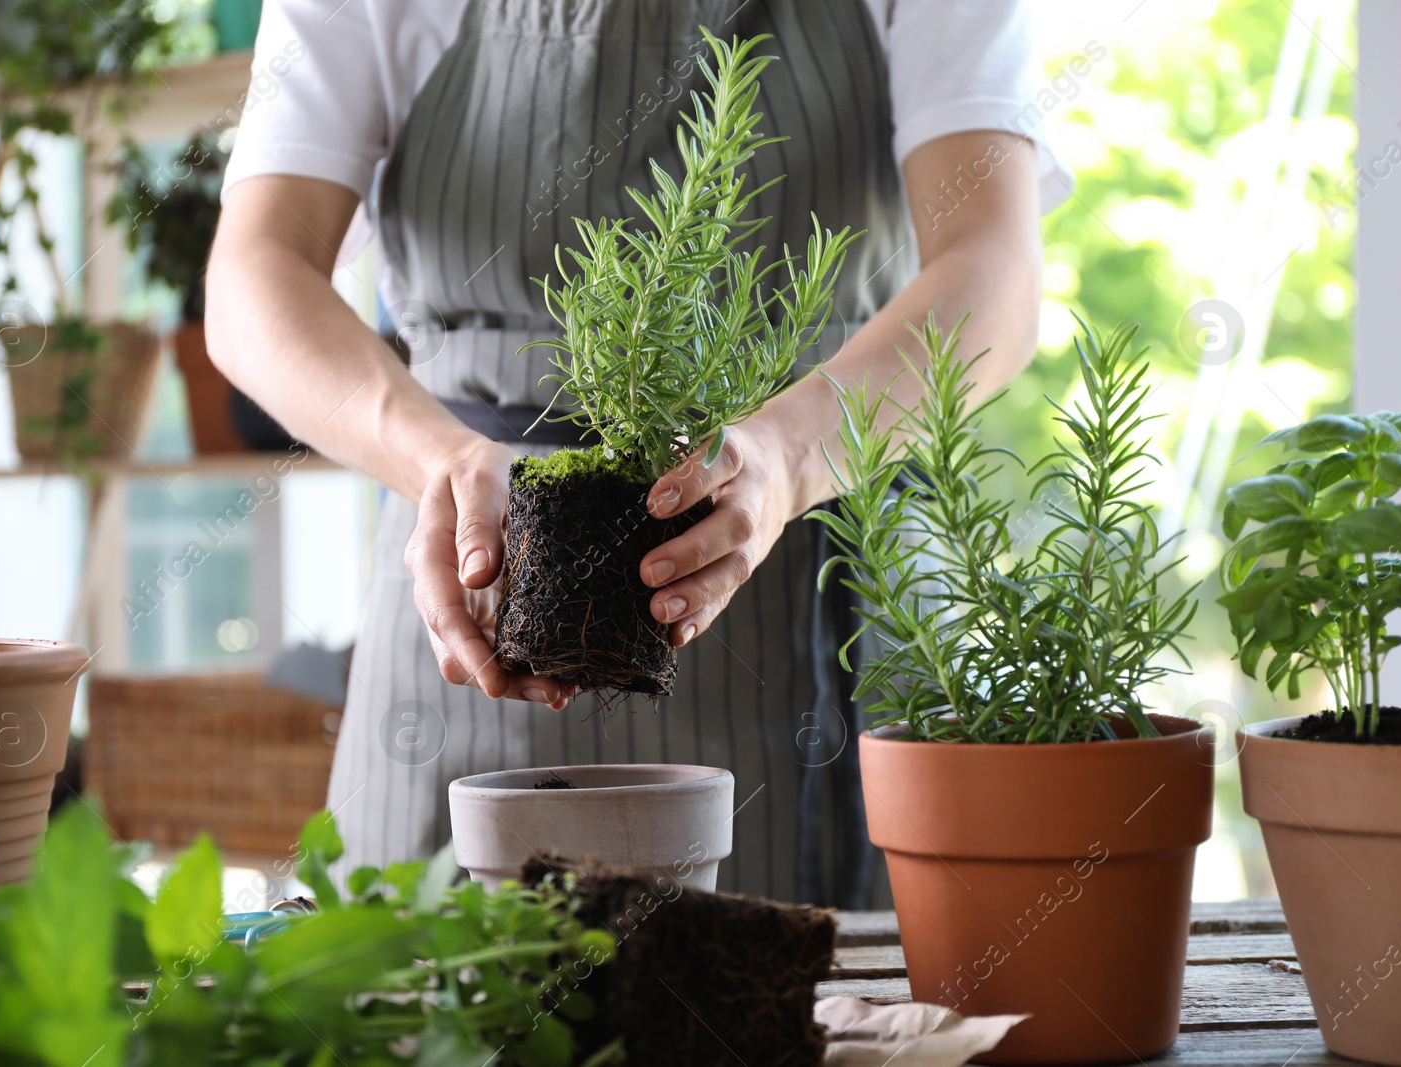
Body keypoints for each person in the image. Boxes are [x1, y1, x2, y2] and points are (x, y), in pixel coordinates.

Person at [207, 0, 1067, 904]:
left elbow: (993, 270)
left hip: (826, 572)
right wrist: (440, 463)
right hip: (483, 580)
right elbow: (255, 274)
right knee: (453, 1015)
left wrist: (786, 458)